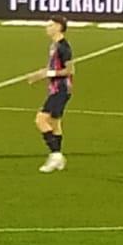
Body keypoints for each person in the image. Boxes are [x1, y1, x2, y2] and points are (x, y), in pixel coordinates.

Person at [29, 15, 75, 173]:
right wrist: (39, 74)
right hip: (57, 89)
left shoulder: (64, 47)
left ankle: (55, 155)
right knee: (55, 123)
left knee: (40, 120)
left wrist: (46, 74)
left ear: (58, 27)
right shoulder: (54, 46)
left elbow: (69, 70)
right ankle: (58, 157)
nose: (47, 28)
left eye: (50, 25)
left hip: (61, 89)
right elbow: (52, 68)